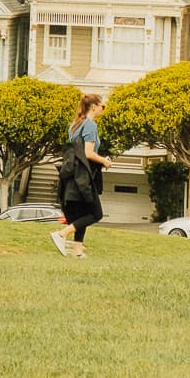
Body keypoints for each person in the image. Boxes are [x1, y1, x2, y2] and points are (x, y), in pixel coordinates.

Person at [53, 93, 110, 259]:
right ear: (94, 106)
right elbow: (88, 153)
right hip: (84, 176)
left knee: (82, 213)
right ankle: (62, 234)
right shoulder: (90, 125)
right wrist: (105, 161)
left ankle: (77, 251)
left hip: (73, 176)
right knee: (95, 214)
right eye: (102, 106)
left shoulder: (75, 124)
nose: (102, 109)